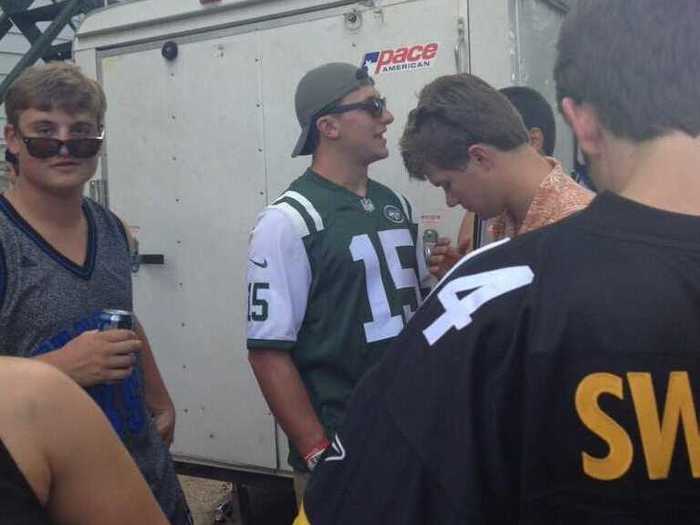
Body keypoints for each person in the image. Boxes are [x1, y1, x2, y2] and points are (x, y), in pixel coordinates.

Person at [295, 0, 700, 522]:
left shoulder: (497, 293)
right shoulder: (502, 258)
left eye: (447, 184)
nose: (451, 201)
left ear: (580, 121)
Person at [0, 63, 190, 524]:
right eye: (45, 132)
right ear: (12, 140)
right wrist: (59, 370)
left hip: (146, 478)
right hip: (52, 493)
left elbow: (125, 315)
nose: (65, 146)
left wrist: (161, 400)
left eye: (81, 133)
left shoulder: (110, 228)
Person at [247, 62, 429, 503]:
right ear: (327, 126)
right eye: (373, 106)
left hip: (408, 441)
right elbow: (268, 351)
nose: (386, 117)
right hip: (343, 450)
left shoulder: (396, 204)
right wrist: (317, 453)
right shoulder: (288, 220)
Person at [428, 83, 592, 279]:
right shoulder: (502, 217)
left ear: (480, 157)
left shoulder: (582, 227)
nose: (450, 201)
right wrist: (470, 281)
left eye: (448, 184)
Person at [0, 356, 169, 524]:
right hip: (75, 471)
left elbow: (129, 330)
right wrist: (61, 365)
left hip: (150, 477)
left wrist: (158, 396)